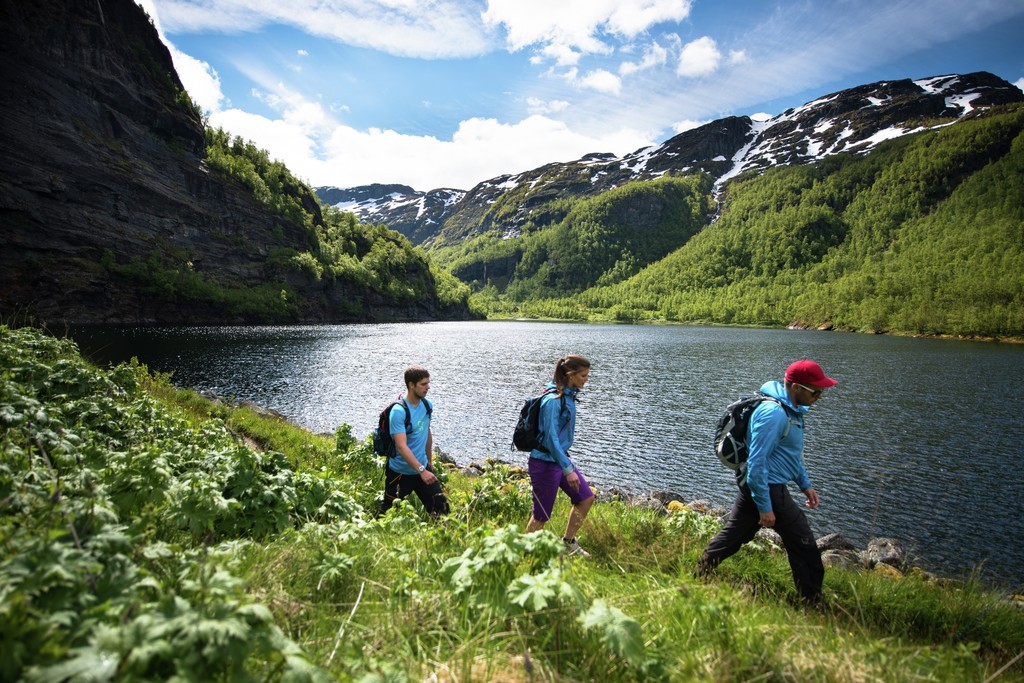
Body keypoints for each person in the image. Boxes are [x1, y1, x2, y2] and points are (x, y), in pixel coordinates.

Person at [697, 359, 837, 607]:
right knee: (804, 544)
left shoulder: (790, 411)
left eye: (822, 391)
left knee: (735, 534)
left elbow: (788, 456)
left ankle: (700, 573)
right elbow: (757, 462)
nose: (820, 396)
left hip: (760, 487)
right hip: (767, 489)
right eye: (815, 391)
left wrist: (805, 483)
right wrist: (765, 506)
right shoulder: (773, 414)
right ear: (795, 388)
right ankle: (812, 602)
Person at [525, 355, 596, 557]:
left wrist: (565, 465)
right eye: (583, 375)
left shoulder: (568, 395)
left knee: (585, 498)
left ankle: (567, 543)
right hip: (545, 463)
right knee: (541, 515)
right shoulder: (553, 400)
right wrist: (568, 469)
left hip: (560, 459)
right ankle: (522, 553)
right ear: (570, 375)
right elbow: (550, 439)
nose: (586, 379)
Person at [379, 365, 449, 517]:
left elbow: (427, 433)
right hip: (400, 473)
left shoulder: (426, 405)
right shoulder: (398, 411)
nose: (428, 387)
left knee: (441, 509)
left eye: (428, 383)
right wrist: (422, 470)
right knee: (388, 516)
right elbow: (401, 446)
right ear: (411, 385)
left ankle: (443, 539)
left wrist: (428, 463)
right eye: (423, 384)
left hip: (422, 469)